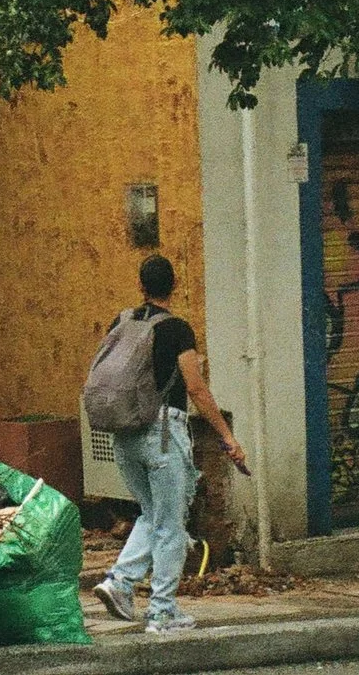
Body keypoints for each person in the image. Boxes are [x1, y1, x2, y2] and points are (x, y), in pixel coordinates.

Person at [95, 254, 246, 633]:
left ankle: (119, 582)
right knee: (171, 525)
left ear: (141, 285)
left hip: (124, 434)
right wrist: (228, 438)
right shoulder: (177, 330)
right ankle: (161, 611)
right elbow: (195, 387)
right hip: (162, 434)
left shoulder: (122, 321)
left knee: (152, 516)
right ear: (173, 285)